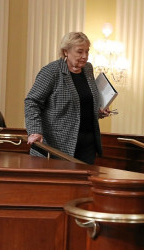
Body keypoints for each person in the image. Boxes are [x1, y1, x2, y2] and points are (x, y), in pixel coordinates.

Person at [24, 32, 110, 164]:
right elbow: (32, 102)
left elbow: (82, 104)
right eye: (80, 52)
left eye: (87, 51)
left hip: (87, 145)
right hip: (57, 145)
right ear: (66, 51)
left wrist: (98, 110)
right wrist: (34, 131)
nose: (85, 56)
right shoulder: (52, 71)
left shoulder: (88, 69)